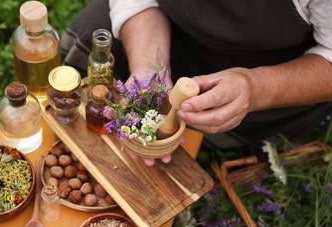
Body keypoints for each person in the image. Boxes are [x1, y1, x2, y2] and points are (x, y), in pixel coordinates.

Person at [61, 0, 332, 165]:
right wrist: (148, 65)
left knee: (218, 137)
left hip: (265, 67)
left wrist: (257, 88)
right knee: (94, 43)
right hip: (165, 26)